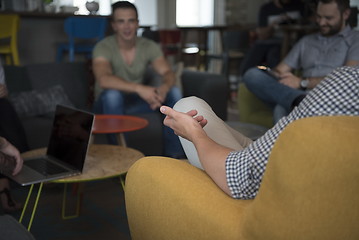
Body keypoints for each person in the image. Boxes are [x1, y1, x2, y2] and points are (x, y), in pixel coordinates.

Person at [160, 65, 359, 199]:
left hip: (269, 171)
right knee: (255, 83)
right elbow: (279, 69)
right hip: (276, 149)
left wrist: (194, 133)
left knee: (187, 105)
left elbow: (238, 176)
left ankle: (294, 100)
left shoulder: (348, 80)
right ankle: (294, 100)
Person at [92, 1, 184, 158]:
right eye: (121, 21)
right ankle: (120, 157)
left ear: (138, 24)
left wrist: (163, 89)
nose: (127, 26)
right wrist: (140, 88)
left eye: (131, 21)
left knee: (174, 92)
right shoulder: (103, 47)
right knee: (113, 95)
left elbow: (168, 73)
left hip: (135, 103)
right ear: (114, 25)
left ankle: (175, 158)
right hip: (107, 106)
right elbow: (104, 80)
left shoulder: (148, 46)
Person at [242, 0, 359, 123]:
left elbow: (347, 80)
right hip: (299, 94)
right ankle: (300, 101)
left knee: (281, 108)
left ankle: (300, 102)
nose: (322, 22)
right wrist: (277, 76)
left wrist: (303, 82)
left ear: (345, 14)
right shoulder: (307, 41)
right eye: (319, 17)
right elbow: (280, 70)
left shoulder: (355, 40)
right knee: (252, 75)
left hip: (332, 98)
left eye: (328, 18)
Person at [239, 0, 305, 75]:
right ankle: (245, 76)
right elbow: (262, 35)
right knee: (255, 52)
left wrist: (294, 20)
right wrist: (274, 24)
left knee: (273, 55)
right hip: (269, 41)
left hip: (290, 42)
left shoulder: (299, 6)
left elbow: (309, 22)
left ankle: (273, 79)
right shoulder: (266, 8)